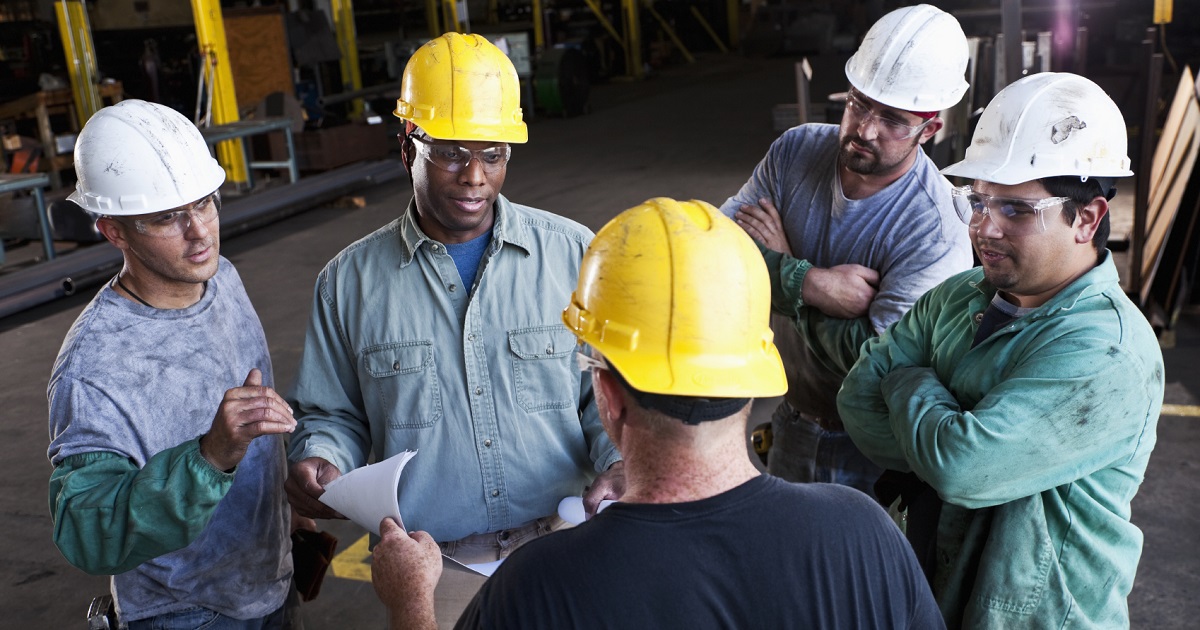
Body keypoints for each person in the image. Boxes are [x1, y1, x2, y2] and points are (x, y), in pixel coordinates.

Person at [370, 198, 946, 629]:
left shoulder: (537, 587)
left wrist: (411, 602)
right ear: (752, 377)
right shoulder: (860, 534)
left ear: (609, 394)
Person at [837, 72, 1164, 628]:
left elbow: (964, 469)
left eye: (1016, 210)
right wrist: (944, 438)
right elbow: (855, 405)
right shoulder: (959, 295)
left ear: (1086, 218)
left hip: (1039, 616)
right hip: (934, 591)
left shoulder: (1107, 352)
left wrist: (909, 382)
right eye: (979, 202)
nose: (983, 228)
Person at [285, 32, 624, 563]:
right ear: (406, 148)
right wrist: (322, 457)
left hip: (567, 544)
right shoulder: (347, 283)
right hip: (431, 563)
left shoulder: (573, 253)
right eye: (449, 153)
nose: (474, 177)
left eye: (493, 155)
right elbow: (334, 415)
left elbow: (605, 392)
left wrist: (621, 461)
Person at [46, 100, 297, 628]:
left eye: (205, 204)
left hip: (270, 581)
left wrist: (280, 501)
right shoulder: (94, 365)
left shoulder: (221, 278)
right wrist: (209, 457)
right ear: (113, 230)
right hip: (184, 612)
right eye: (166, 217)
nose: (200, 232)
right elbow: (89, 534)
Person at [720, 3, 974, 493]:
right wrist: (808, 281)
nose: (865, 129)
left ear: (930, 128)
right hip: (791, 414)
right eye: (858, 104)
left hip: (871, 449)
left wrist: (776, 270)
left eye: (893, 119)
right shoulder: (795, 152)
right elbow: (713, 250)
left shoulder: (934, 228)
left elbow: (881, 365)